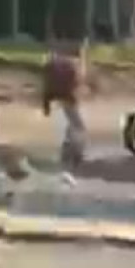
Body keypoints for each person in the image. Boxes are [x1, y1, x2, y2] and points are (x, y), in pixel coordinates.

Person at [43, 41, 87, 172]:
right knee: (78, 127)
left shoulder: (56, 66)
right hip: (67, 98)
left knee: (71, 125)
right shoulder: (70, 66)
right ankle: (74, 153)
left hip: (61, 97)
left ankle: (69, 151)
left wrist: (46, 103)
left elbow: (48, 86)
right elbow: (73, 84)